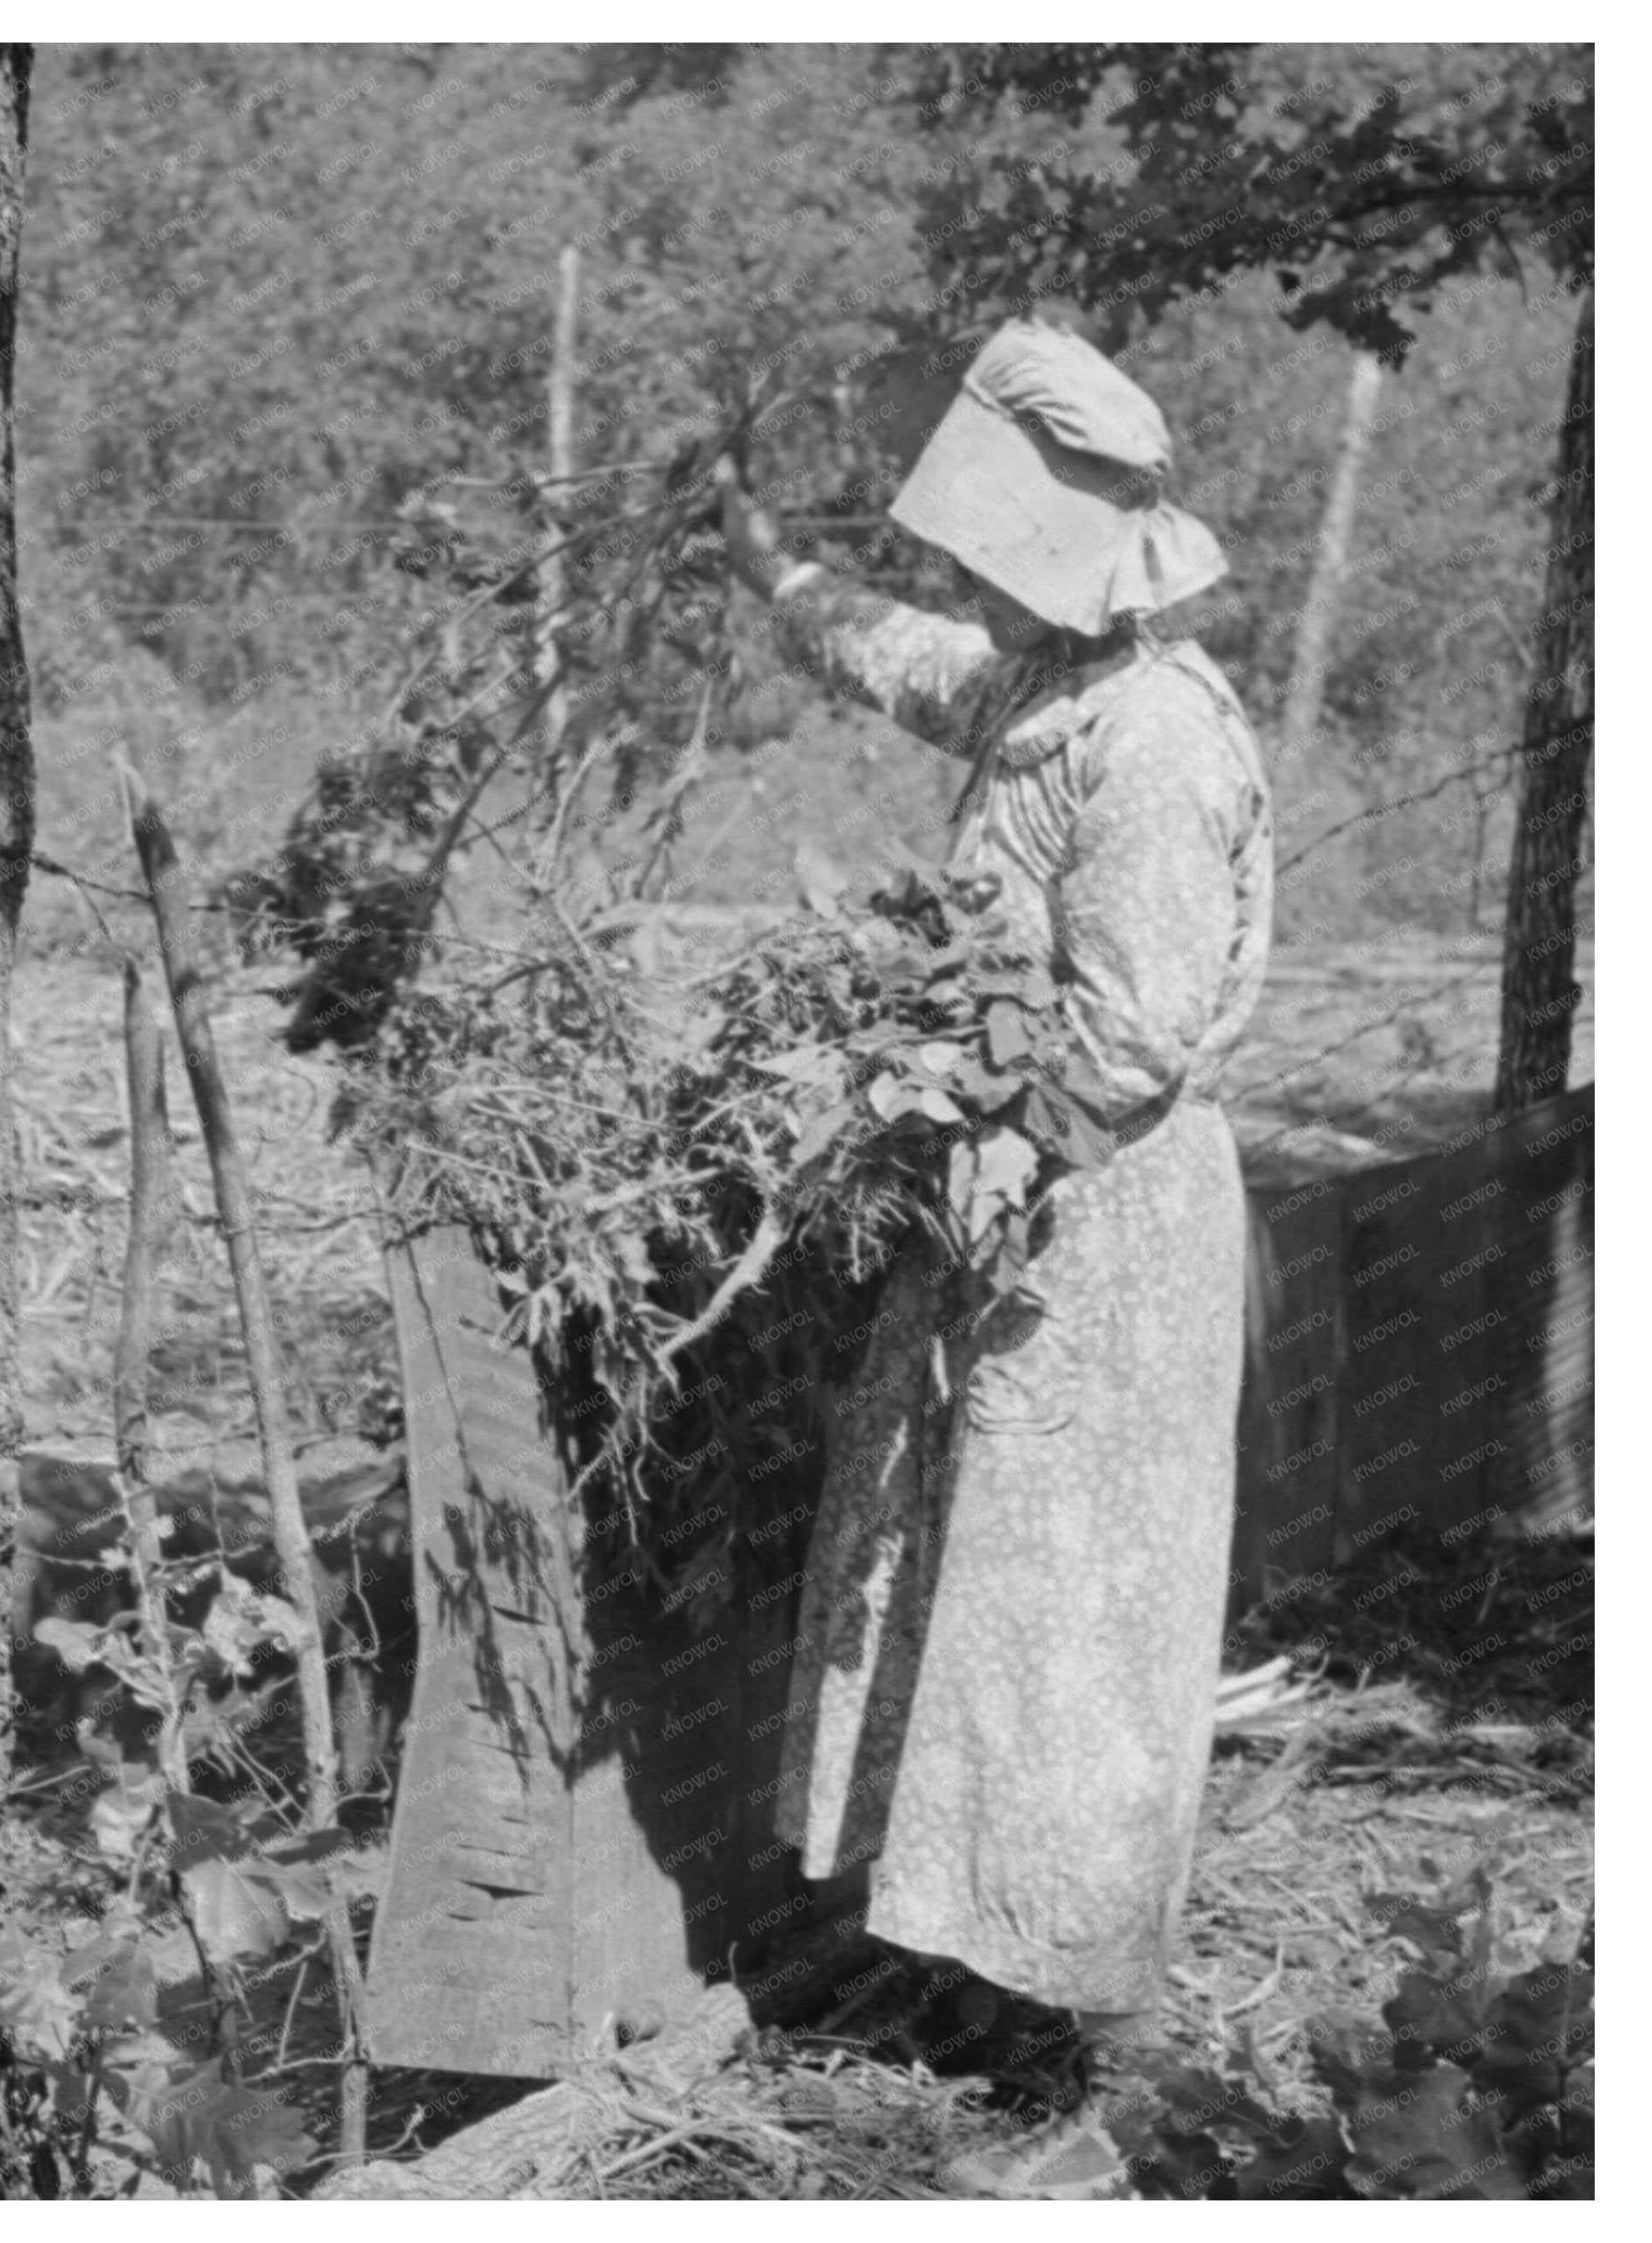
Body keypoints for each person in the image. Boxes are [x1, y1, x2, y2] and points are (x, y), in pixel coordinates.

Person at [717, 317, 1273, 2200]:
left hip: (1099, 1232)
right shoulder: (1048, 685)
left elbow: (1122, 1042)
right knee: (966, 1615)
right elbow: (908, 659)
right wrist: (768, 565)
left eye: (986, 545)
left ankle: (1098, 2077)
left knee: (1075, 1645)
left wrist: (940, 1100)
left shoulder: (1159, 744)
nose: (966, 577)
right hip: (1008, 1209)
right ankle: (977, 1993)